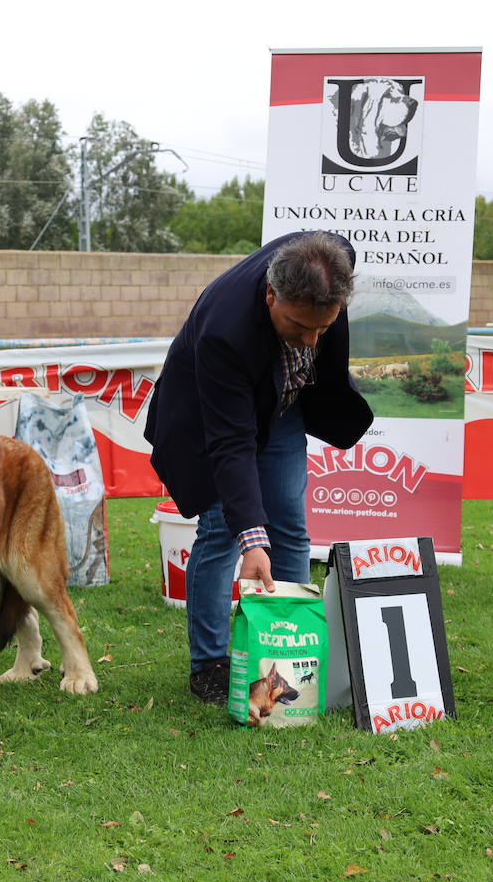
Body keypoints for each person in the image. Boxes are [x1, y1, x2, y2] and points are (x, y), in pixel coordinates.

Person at [143, 231, 374, 705]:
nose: (311, 342)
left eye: (323, 329)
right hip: (209, 417)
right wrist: (252, 536)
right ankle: (208, 664)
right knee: (220, 530)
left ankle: (288, 650)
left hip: (283, 405)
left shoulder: (335, 262)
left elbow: (312, 337)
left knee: (289, 520)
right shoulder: (224, 331)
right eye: (298, 326)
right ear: (272, 296)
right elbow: (231, 443)